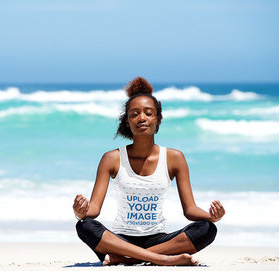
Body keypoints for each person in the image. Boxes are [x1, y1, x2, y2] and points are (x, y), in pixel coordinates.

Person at [72, 76, 225, 266]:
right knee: (84, 226)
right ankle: (160, 259)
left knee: (207, 229)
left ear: (158, 119)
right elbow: (93, 210)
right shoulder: (111, 158)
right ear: (127, 121)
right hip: (120, 241)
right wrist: (81, 211)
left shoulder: (174, 158)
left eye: (148, 113)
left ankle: (125, 260)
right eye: (134, 114)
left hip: (159, 240)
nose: (141, 118)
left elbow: (190, 210)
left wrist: (212, 217)